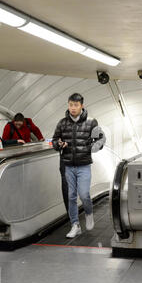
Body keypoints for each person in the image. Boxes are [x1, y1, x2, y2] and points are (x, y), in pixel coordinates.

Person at [52, 93, 106, 238]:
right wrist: (59, 144)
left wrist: (91, 148)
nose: (73, 108)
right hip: (68, 165)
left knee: (84, 194)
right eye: (70, 105)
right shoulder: (62, 123)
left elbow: (101, 138)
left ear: (81, 105)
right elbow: (54, 140)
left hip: (84, 165)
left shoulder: (91, 122)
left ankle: (89, 213)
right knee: (71, 196)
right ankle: (75, 225)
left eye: (76, 105)